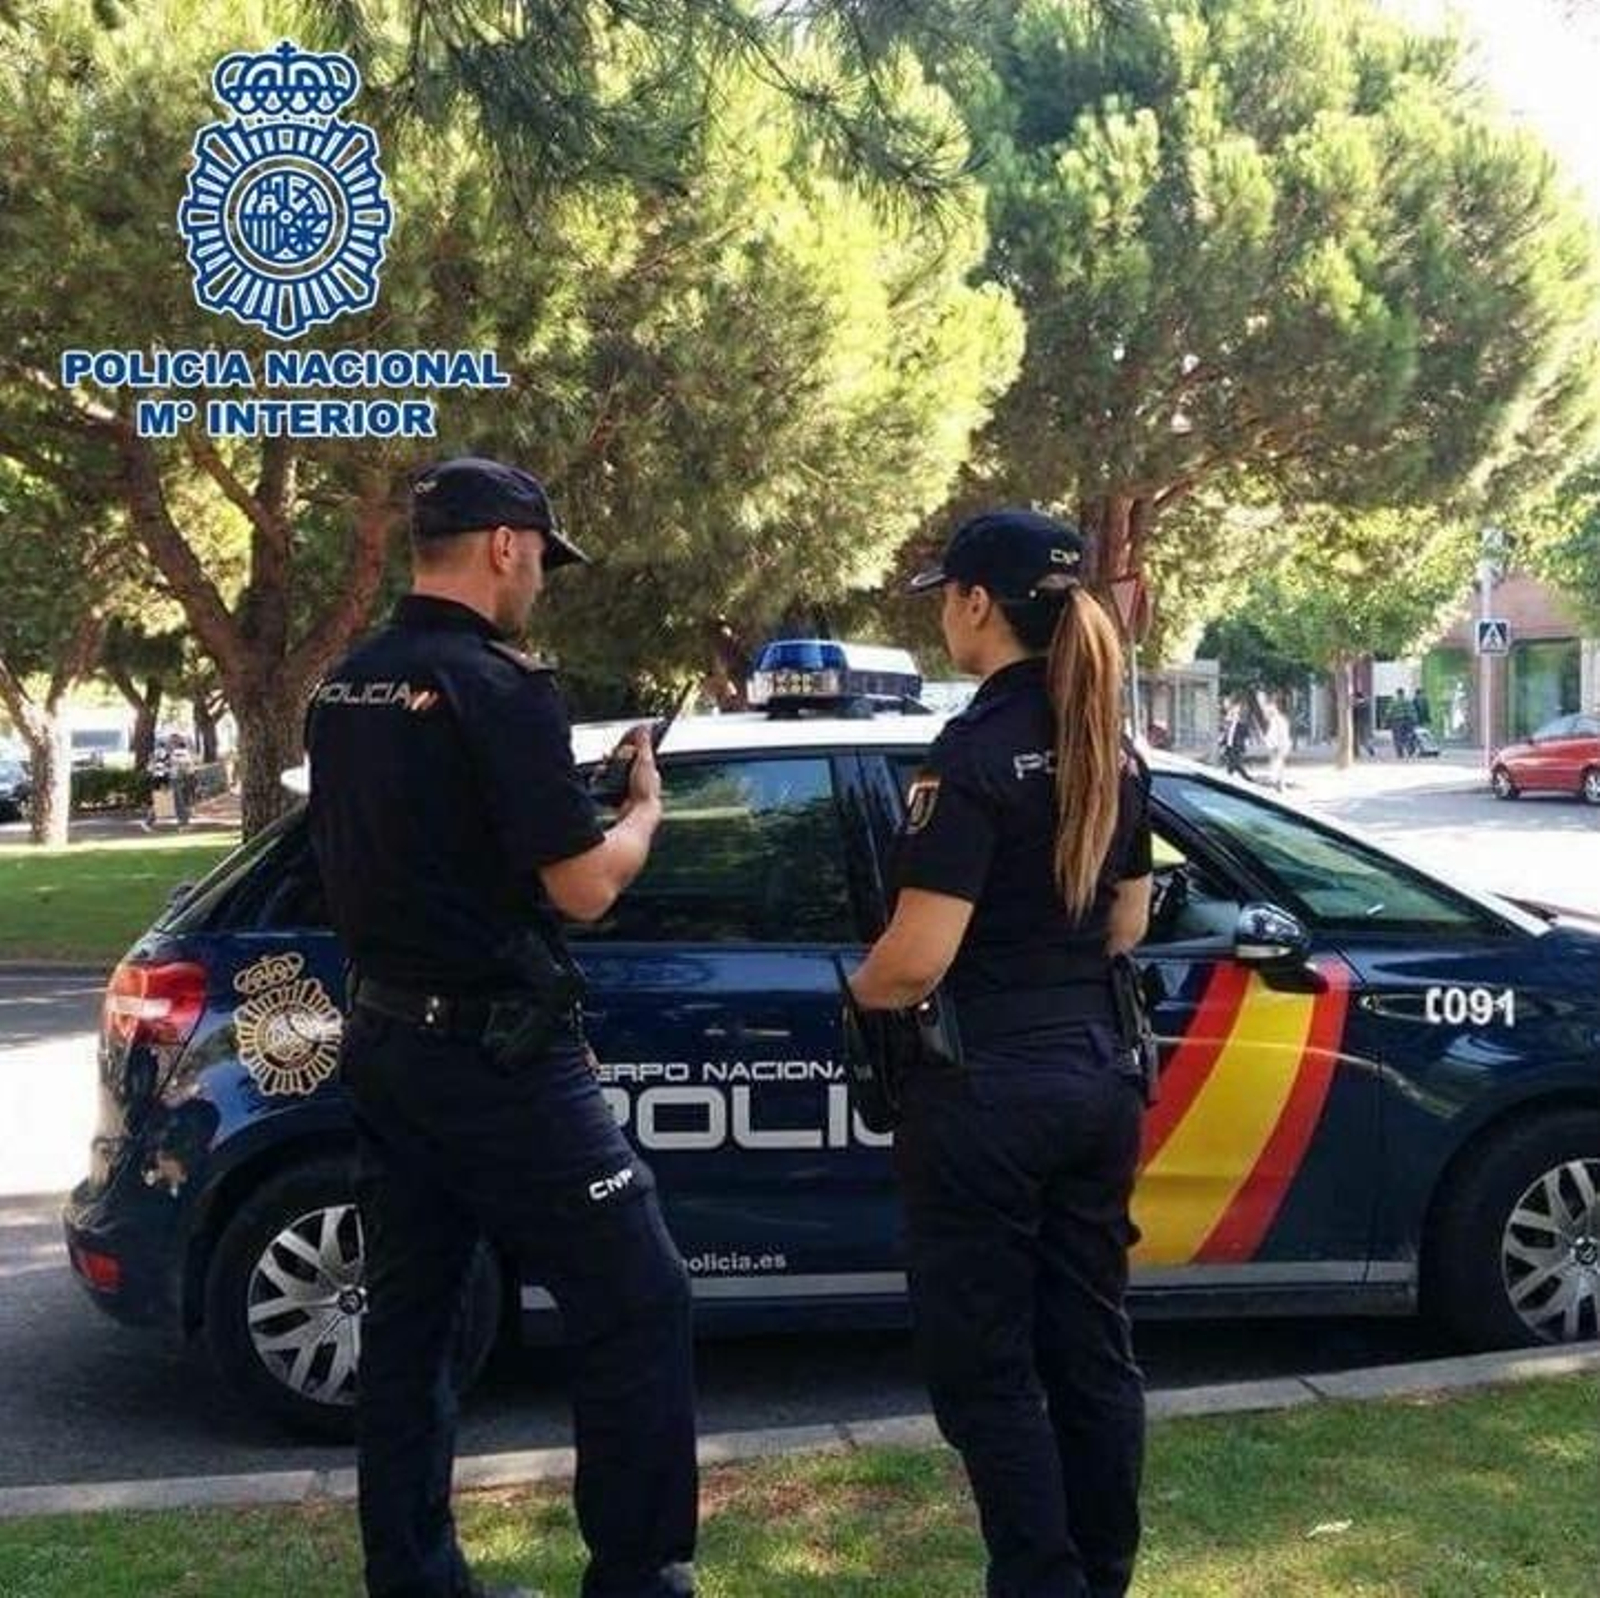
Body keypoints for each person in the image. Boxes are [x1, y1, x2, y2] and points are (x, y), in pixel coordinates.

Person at [307, 457, 697, 1598]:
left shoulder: (347, 684)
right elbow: (583, 889)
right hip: (499, 1055)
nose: (541, 582)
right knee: (639, 1294)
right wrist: (639, 816)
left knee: (414, 1323)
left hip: (387, 1043)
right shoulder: (502, 687)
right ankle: (638, 1574)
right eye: (540, 559)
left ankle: (413, 1577)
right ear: (503, 546)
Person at [848, 508, 1153, 1598]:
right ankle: (1098, 1573)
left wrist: (856, 984)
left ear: (979, 602)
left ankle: (1038, 1579)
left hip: (984, 1091)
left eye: (947, 592)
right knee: (1089, 1348)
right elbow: (1125, 923)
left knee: (985, 1368)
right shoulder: (1107, 741)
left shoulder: (971, 755)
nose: (942, 609)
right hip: (1094, 1071)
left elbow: (913, 962)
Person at [1259, 691, 1291, 792]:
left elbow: (1279, 734)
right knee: (1278, 763)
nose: (1266, 715)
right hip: (1278, 744)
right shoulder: (1278, 719)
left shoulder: (1277, 719)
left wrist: (1276, 744)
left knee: (1277, 763)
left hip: (1278, 745)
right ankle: (1279, 783)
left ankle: (1277, 782)